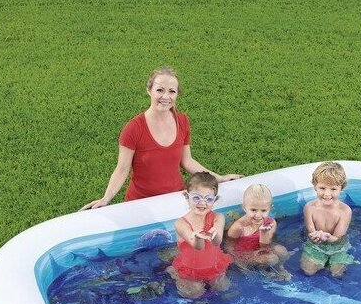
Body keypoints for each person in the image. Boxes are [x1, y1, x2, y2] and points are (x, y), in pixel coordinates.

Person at [81, 66, 241, 210]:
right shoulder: (133, 129)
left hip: (175, 199)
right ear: (149, 90)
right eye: (160, 90)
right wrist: (106, 198)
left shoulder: (182, 121)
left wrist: (219, 178)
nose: (166, 96)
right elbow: (122, 169)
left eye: (172, 91)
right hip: (141, 204)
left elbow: (187, 161)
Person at [166, 172, 231, 299]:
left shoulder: (218, 217)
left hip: (214, 266)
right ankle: (174, 272)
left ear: (215, 199)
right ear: (187, 196)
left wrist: (214, 234)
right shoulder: (181, 223)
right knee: (194, 293)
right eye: (196, 198)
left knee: (224, 289)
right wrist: (198, 237)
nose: (202, 203)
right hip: (189, 270)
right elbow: (198, 246)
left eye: (208, 199)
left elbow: (217, 242)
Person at [300, 161, 355, 278]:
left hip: (337, 248)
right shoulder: (309, 208)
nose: (327, 194)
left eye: (333, 189)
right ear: (315, 186)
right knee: (308, 271)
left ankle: (329, 263)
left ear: (341, 188)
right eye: (322, 188)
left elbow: (338, 239)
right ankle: (322, 262)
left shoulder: (345, 211)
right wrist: (314, 236)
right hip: (316, 246)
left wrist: (328, 237)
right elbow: (310, 232)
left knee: (337, 274)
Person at [226, 184, 291, 280]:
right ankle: (262, 270)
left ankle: (279, 268)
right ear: (244, 207)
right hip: (245, 254)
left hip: (262, 248)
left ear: (270, 208)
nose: (258, 215)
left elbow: (265, 246)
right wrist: (240, 265)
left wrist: (263, 233)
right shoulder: (238, 227)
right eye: (253, 210)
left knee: (282, 251)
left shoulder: (271, 223)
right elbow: (229, 247)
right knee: (271, 259)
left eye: (263, 210)